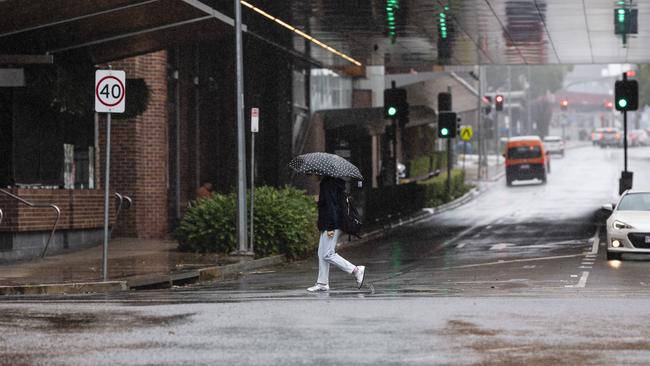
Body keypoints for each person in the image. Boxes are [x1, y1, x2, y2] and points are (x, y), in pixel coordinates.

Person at [307, 175, 366, 292]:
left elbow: (332, 208)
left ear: (318, 173)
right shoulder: (330, 183)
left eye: (310, 174)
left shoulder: (327, 185)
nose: (309, 177)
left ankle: (356, 270)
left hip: (332, 224)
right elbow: (330, 205)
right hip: (329, 224)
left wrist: (330, 227)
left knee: (328, 254)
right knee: (321, 253)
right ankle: (322, 283)